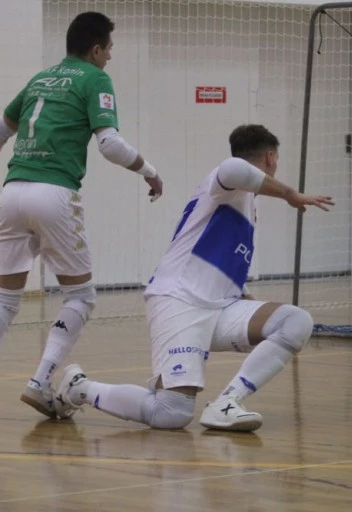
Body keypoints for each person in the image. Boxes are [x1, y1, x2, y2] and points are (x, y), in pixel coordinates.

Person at [53, 124, 333, 432]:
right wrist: (291, 194)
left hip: (219, 306)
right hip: (179, 300)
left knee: (295, 321)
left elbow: (220, 258)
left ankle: (227, 402)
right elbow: (232, 167)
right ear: (270, 157)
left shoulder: (246, 204)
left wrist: (244, 297)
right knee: (171, 413)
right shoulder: (225, 181)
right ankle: (79, 388)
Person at [0, 11, 163, 419]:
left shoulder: (39, 79)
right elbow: (109, 144)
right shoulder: (95, 78)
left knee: (4, 300)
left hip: (12, 191)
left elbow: (0, 129)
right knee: (81, 296)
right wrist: (150, 172)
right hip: (54, 193)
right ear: (96, 48)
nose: (110, 59)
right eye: (109, 50)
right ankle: (40, 383)